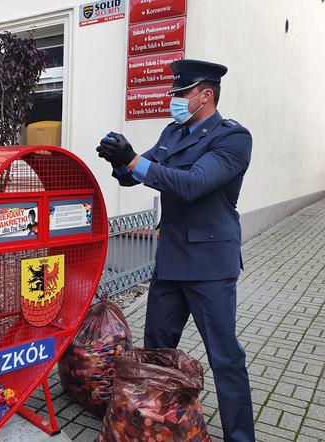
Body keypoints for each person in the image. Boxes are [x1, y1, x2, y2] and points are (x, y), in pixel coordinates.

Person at [96, 59, 255, 442]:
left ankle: (240, 436)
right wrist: (121, 159)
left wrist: (135, 163)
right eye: (176, 94)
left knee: (225, 357)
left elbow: (192, 184)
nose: (176, 100)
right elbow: (142, 170)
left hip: (209, 265)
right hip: (170, 260)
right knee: (156, 351)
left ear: (206, 95)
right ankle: (152, 425)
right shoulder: (173, 132)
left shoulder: (233, 138)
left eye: (183, 94)